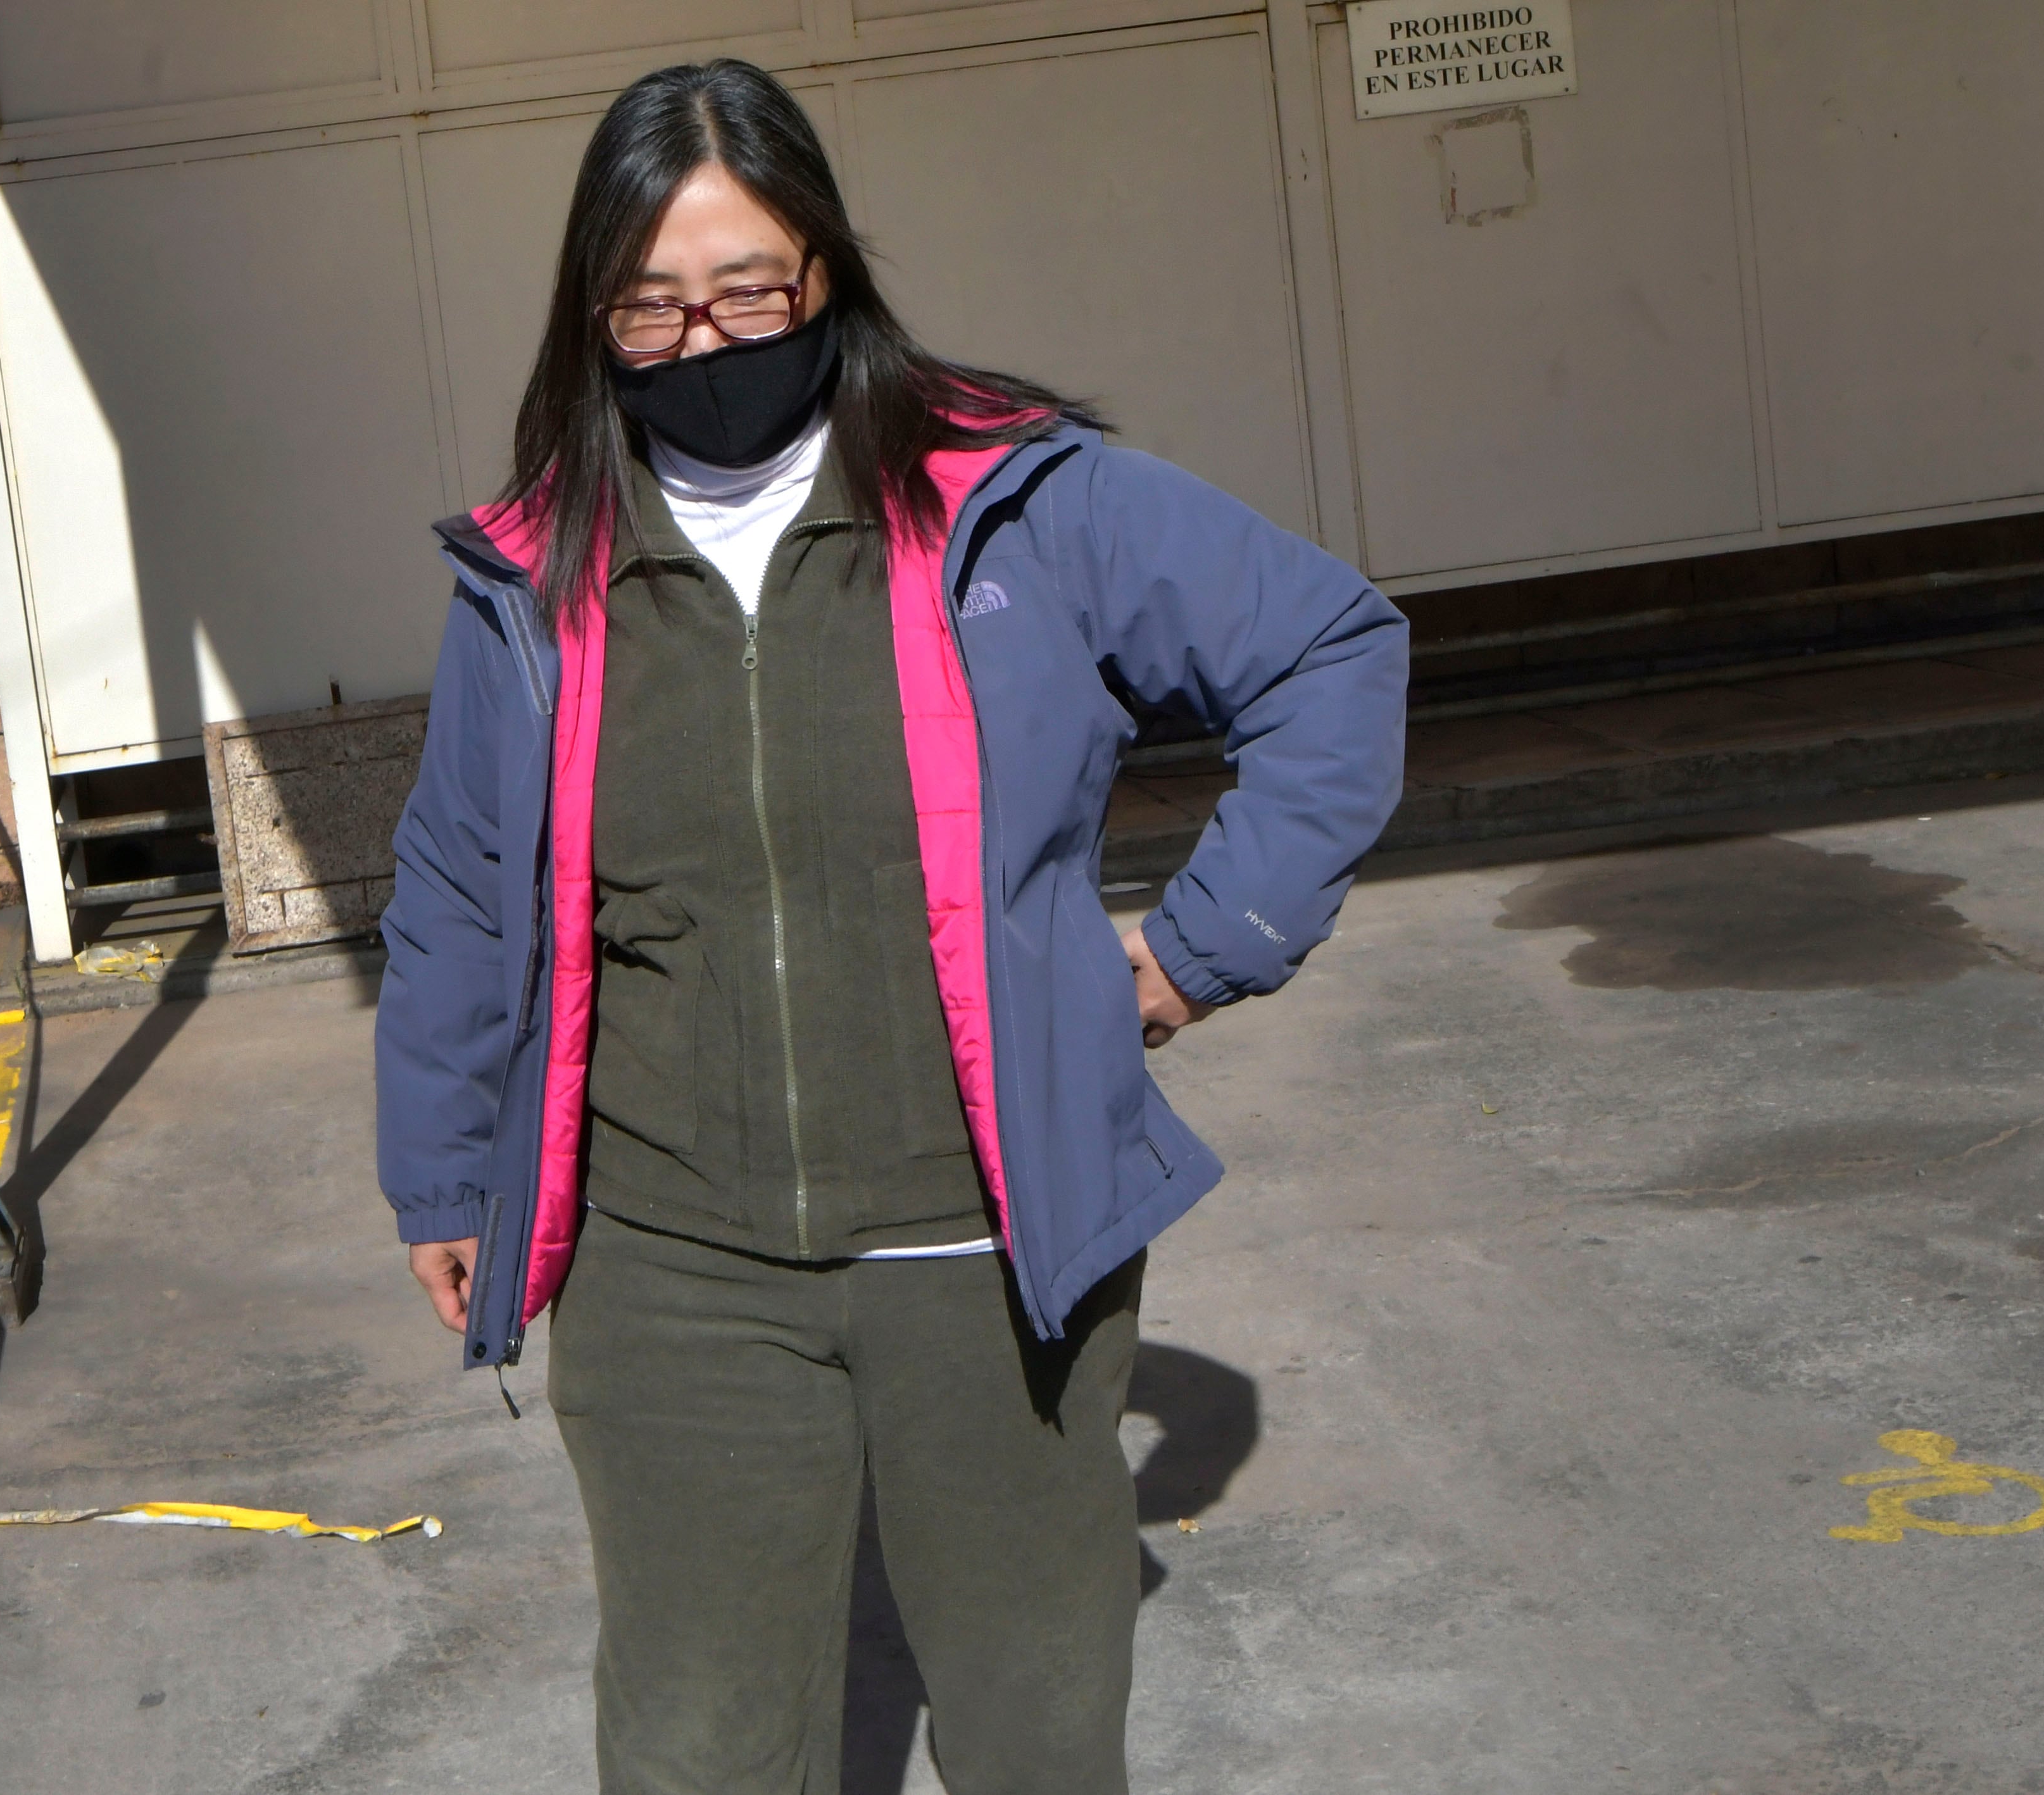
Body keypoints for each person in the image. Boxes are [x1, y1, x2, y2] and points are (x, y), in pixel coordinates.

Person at [377, 57, 1407, 1795]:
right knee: (700, 1748)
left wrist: (1195, 946)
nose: (705, 344)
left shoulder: (1016, 501)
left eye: (746, 291)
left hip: (987, 1252)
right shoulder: (540, 577)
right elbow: (462, 885)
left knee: (1036, 1735)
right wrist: (437, 1164)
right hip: (676, 1267)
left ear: (825, 276)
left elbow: (1331, 650)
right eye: (651, 310)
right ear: (596, 321)